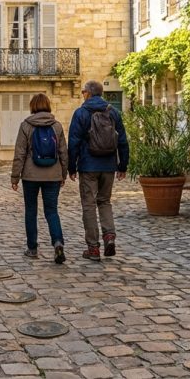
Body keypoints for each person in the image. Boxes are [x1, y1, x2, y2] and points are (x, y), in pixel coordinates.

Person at [67, 80, 129, 261]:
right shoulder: (113, 112)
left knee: (89, 205)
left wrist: (72, 167)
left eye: (83, 92)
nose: (82, 95)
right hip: (108, 165)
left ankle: (93, 248)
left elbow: (74, 142)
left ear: (88, 93)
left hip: (88, 166)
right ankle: (109, 235)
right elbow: (123, 141)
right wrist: (122, 165)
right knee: (105, 202)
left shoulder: (81, 113)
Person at [11, 93, 69, 264]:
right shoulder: (57, 126)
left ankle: (32, 248)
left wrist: (15, 177)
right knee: (52, 211)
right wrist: (63, 173)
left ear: (32, 106)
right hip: (53, 174)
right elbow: (63, 153)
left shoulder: (26, 126)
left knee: (31, 211)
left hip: (30, 175)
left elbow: (19, 153)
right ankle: (57, 242)